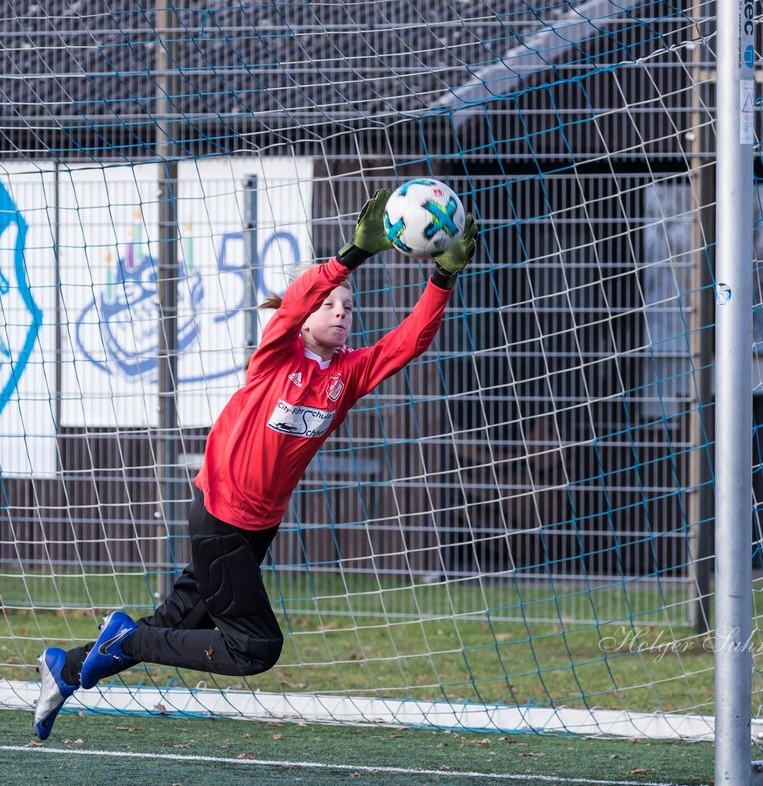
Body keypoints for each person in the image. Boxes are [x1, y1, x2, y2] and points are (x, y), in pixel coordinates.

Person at [33, 188, 479, 740]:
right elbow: (293, 303)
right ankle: (123, 638)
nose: (340, 312)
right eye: (329, 304)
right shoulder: (278, 354)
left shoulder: (351, 373)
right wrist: (350, 257)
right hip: (220, 516)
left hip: (258, 528)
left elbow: (409, 342)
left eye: (348, 306)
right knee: (254, 648)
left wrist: (442, 280)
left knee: (177, 623)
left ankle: (68, 668)